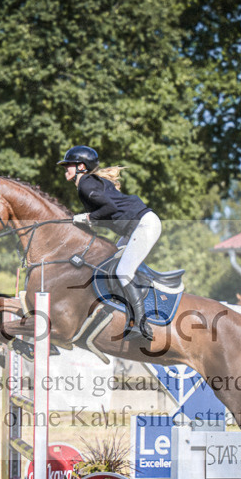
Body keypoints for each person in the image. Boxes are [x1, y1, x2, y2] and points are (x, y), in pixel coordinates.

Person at [58, 145, 162, 341]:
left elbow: (109, 206)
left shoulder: (85, 183)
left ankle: (140, 323)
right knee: (108, 265)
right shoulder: (90, 182)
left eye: (69, 165)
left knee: (123, 271)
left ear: (81, 166)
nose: (65, 169)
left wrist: (88, 217)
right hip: (135, 227)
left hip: (143, 225)